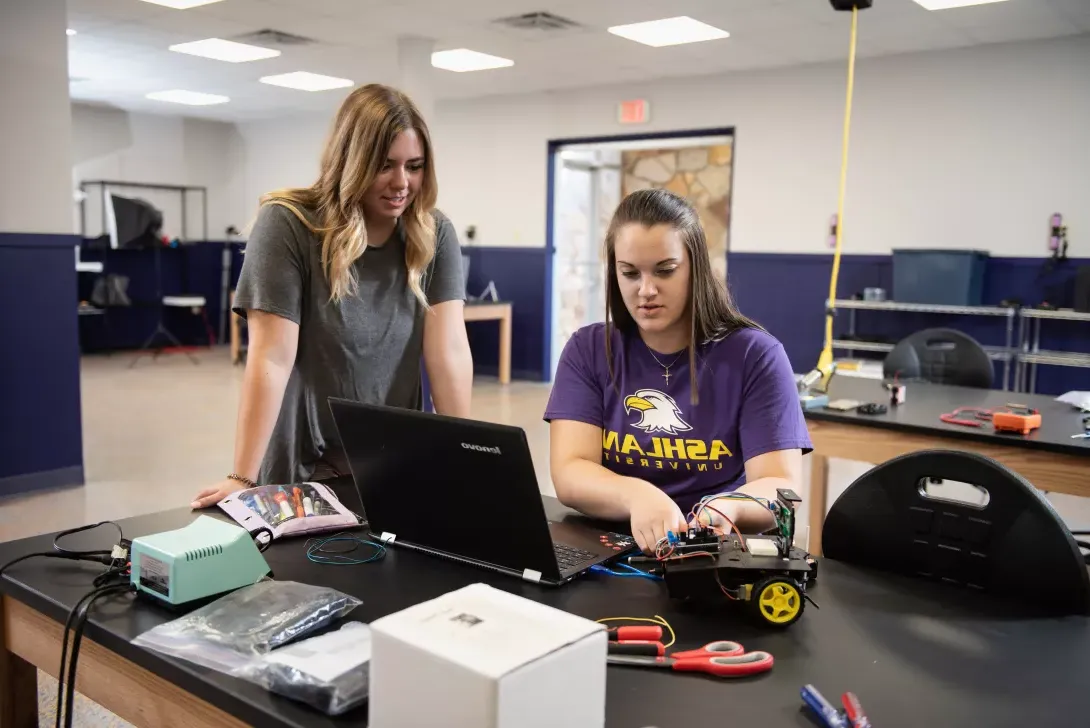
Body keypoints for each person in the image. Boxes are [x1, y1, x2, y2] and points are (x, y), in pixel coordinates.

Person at [191, 84, 473, 509]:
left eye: (414, 166)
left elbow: (448, 350)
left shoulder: (434, 233)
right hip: (307, 466)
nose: (402, 183)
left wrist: (464, 456)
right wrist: (241, 476)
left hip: (392, 461)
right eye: (385, 166)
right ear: (352, 161)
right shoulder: (288, 223)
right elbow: (270, 356)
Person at [545, 188, 812, 553]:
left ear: (695, 267)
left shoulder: (756, 355)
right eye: (629, 273)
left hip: (714, 549)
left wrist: (727, 506)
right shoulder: (588, 350)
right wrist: (635, 496)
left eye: (665, 271)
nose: (646, 290)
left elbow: (780, 484)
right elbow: (571, 471)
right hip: (614, 546)